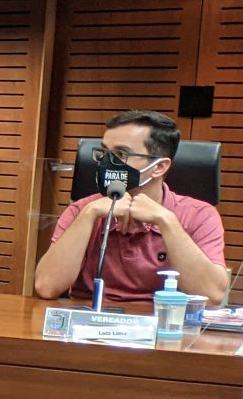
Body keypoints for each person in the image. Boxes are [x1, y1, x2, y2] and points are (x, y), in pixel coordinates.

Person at [33, 109, 227, 303]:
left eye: (121, 153)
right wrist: (89, 214)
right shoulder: (83, 209)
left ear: (159, 167)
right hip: (90, 316)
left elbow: (212, 296)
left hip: (163, 318)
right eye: (104, 152)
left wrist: (166, 221)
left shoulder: (199, 215)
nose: (107, 162)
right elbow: (46, 287)